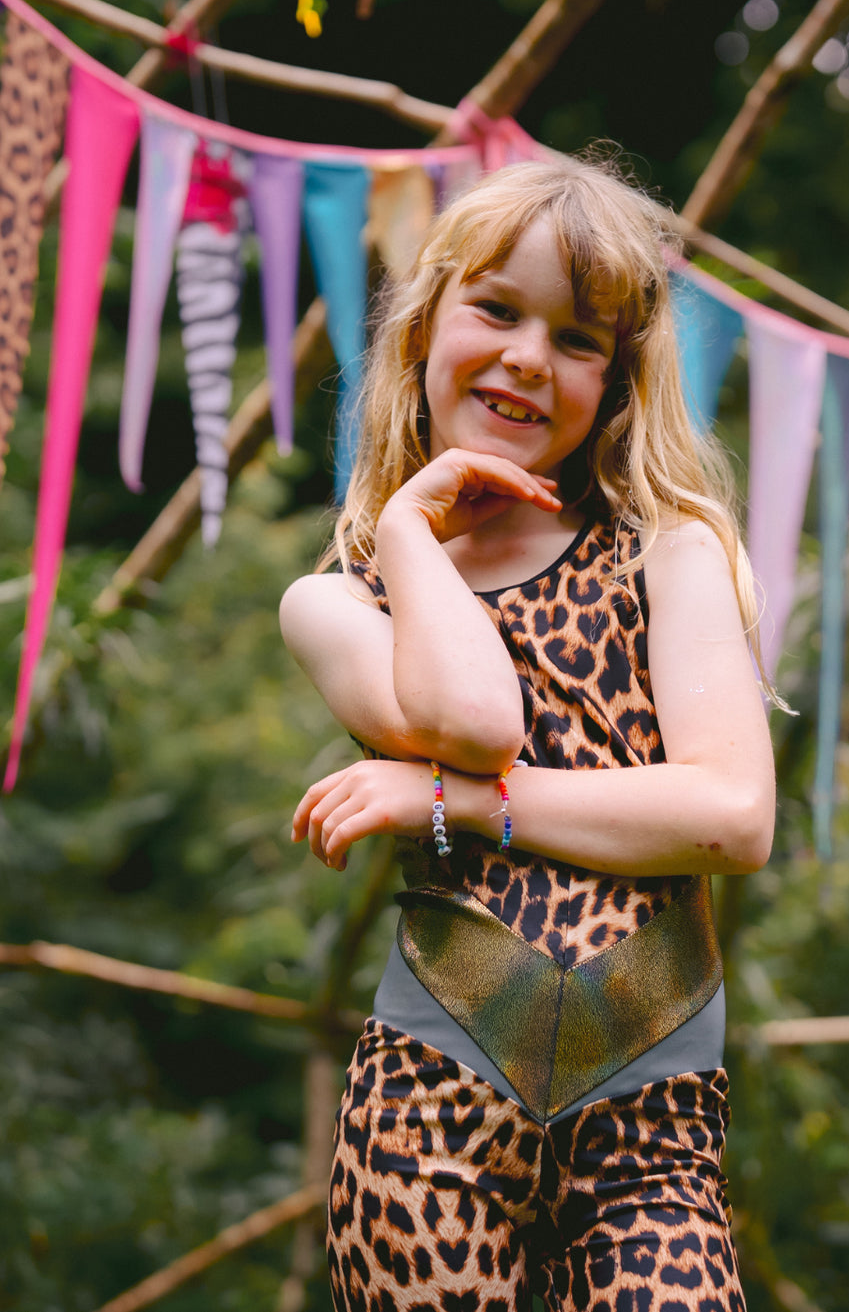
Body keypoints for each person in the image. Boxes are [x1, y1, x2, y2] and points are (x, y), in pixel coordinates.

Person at [280, 155, 776, 1312]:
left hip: (653, 1131)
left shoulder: (669, 553)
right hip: (430, 1114)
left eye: (577, 337)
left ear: (618, 380)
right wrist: (410, 529)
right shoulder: (345, 602)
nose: (528, 357)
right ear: (422, 328)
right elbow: (479, 719)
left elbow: (733, 815)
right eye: (497, 310)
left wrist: (450, 803)